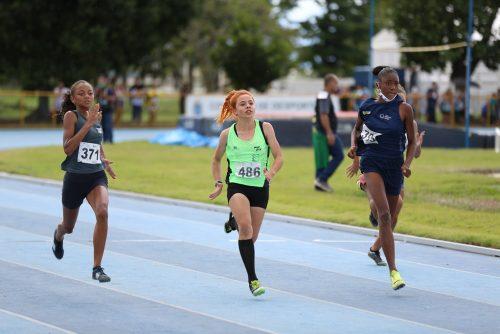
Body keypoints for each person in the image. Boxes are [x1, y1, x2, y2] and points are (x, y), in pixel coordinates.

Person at [347, 66, 416, 290]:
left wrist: (406, 164)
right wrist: (354, 149)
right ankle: (394, 271)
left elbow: (413, 142)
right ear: (379, 85)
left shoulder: (405, 109)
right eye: (389, 83)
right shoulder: (366, 107)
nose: (393, 87)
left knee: (392, 214)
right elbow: (356, 131)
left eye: (396, 83)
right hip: (372, 162)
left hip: (394, 167)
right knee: (385, 214)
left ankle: (376, 249)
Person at [209, 90, 283, 296]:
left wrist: (272, 171)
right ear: (234, 111)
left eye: (251, 103)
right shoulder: (227, 134)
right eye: (243, 104)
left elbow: (278, 156)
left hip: (260, 187)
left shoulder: (265, 128)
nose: (248, 106)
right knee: (246, 227)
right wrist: (217, 182)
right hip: (237, 186)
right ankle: (253, 280)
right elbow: (216, 160)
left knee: (252, 237)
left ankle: (232, 222)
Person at [52, 80, 116, 283]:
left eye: (90, 93)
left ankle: (97, 267)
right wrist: (88, 124)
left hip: (95, 175)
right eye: (81, 93)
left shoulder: (96, 116)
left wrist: (103, 159)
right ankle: (58, 235)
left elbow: (96, 142)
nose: (87, 97)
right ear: (73, 98)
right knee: (69, 227)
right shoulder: (71, 117)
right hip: (74, 178)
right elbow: (68, 148)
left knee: (103, 212)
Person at [313, 74, 344, 192]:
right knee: (339, 154)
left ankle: (319, 182)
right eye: (335, 83)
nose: (337, 86)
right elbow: (323, 114)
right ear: (330, 83)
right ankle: (321, 179)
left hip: (323, 132)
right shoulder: (324, 95)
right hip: (324, 132)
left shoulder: (325, 95)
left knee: (322, 157)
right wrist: (329, 133)